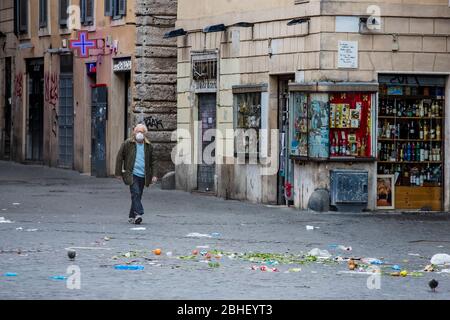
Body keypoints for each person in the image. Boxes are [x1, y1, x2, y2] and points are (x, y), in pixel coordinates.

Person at [115, 124, 157, 224]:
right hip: (131, 173)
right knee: (136, 193)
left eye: (141, 132)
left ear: (145, 133)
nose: (139, 134)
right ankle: (138, 214)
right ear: (134, 132)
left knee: (137, 195)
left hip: (144, 175)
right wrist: (118, 173)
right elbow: (120, 158)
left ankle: (131, 216)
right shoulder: (127, 143)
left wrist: (154, 175)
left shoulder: (148, 145)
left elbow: (153, 161)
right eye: (137, 131)